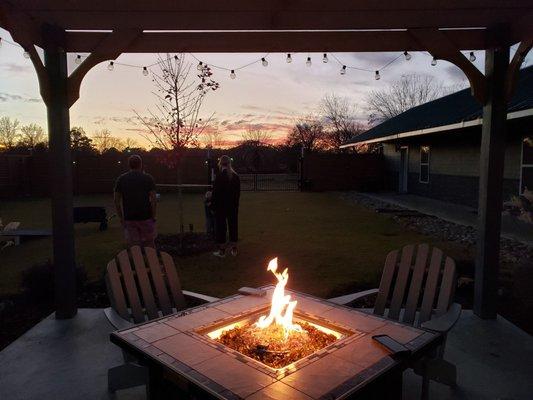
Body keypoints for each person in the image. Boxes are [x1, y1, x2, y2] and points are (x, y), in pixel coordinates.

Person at [114, 155, 157, 248]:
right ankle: (151, 261)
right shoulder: (148, 178)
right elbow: (154, 199)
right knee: (149, 243)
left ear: (129, 165)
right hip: (146, 216)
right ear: (141, 164)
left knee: (134, 245)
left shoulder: (121, 179)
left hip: (129, 217)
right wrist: (153, 215)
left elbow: (116, 201)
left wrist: (121, 217)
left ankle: (137, 261)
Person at [211, 155, 240, 257]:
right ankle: (234, 249)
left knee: (221, 228)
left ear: (220, 164)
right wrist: (236, 206)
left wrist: (213, 206)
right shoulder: (235, 177)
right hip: (232, 207)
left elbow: (215, 194)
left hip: (221, 207)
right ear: (229, 163)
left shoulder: (219, 177)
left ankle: (222, 251)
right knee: (233, 226)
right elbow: (237, 194)